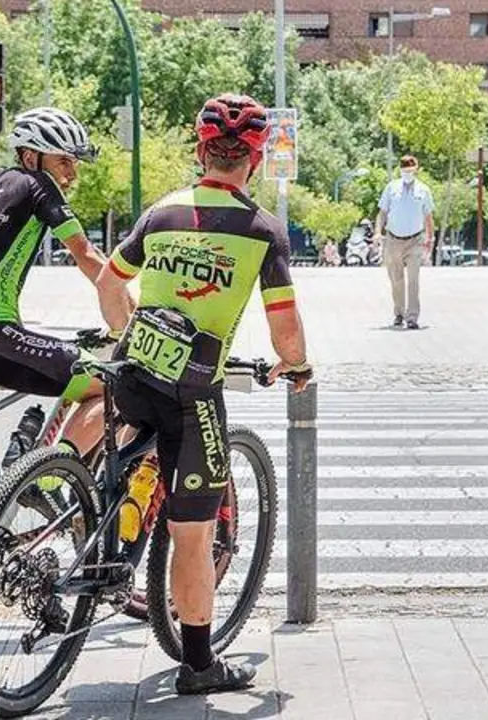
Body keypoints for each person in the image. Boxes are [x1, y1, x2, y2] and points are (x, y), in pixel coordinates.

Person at [96, 93, 311, 695]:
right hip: (194, 393)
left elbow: (111, 285)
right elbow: (285, 330)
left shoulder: (160, 213)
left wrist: (129, 333)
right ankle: (198, 665)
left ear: (200, 150)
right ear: (256, 157)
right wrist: (295, 367)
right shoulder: (262, 231)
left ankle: (82, 519)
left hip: (134, 368)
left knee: (114, 443)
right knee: (192, 534)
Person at [0, 107, 123, 474]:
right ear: (31, 157)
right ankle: (42, 479)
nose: (71, 174)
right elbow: (88, 256)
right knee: (113, 387)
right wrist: (133, 318)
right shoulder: (38, 185)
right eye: (64, 161)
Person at [373, 156, 434, 329]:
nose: (408, 173)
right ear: (400, 170)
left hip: (415, 239)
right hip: (393, 239)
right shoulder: (391, 188)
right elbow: (382, 212)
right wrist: (378, 231)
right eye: (404, 170)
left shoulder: (424, 190)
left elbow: (429, 216)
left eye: (411, 169)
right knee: (396, 279)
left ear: (416, 169)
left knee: (413, 280)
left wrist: (431, 237)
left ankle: (412, 317)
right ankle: (399, 313)